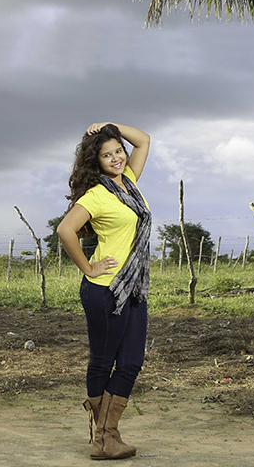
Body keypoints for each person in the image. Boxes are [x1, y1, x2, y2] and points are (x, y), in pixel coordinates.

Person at [56, 122, 152, 460]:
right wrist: (87, 266)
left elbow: (144, 140)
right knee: (103, 361)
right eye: (106, 154)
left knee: (131, 362)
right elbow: (66, 229)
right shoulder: (96, 194)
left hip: (133, 288)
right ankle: (104, 438)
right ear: (95, 162)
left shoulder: (129, 183)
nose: (116, 157)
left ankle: (106, 436)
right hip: (105, 289)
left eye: (118, 151)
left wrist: (109, 124)